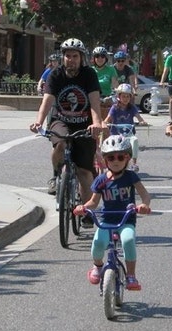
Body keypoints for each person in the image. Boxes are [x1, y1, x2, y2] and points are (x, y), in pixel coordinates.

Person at [29, 38, 104, 227]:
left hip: (84, 125)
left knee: (85, 172)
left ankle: (87, 211)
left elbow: (94, 102)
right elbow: (47, 100)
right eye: (67, 56)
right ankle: (55, 175)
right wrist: (38, 122)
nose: (71, 60)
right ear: (63, 57)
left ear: (82, 58)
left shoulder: (89, 74)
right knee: (60, 143)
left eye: (75, 56)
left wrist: (97, 124)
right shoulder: (56, 74)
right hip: (60, 121)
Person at [74, 135, 152, 290]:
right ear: (105, 160)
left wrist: (144, 204)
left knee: (128, 241)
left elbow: (144, 194)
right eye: (111, 157)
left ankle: (131, 275)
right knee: (97, 243)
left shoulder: (131, 177)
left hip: (126, 220)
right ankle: (97, 266)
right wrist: (83, 207)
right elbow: (94, 202)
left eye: (120, 157)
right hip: (107, 220)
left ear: (127, 158)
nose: (116, 161)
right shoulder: (101, 180)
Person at [104, 83, 148, 172]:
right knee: (111, 148)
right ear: (118, 97)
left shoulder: (132, 107)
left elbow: (139, 117)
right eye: (123, 96)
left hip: (129, 133)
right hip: (115, 134)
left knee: (134, 140)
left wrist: (142, 121)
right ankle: (108, 163)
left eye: (128, 96)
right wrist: (104, 123)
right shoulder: (114, 108)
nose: (125, 99)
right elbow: (107, 119)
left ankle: (134, 164)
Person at [91, 46, 118, 114]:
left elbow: (115, 86)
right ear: (94, 58)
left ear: (106, 58)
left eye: (102, 56)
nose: (100, 58)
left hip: (107, 99)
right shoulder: (90, 70)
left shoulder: (111, 69)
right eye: (97, 56)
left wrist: (113, 96)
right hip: (93, 99)